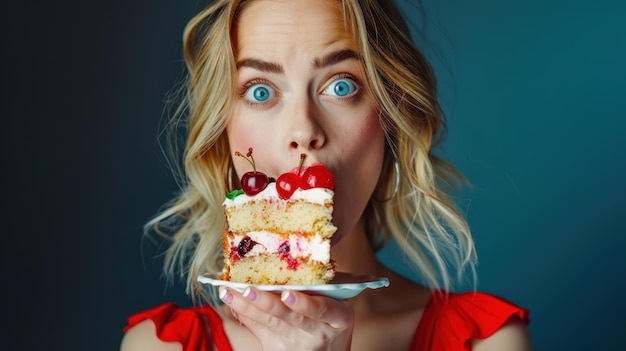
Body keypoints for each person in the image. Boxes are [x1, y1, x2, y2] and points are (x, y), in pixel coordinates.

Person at [121, 0, 532, 350]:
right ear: (223, 127)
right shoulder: (157, 344)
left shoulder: (487, 341)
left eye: (340, 86)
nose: (304, 131)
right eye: (261, 91)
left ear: (390, 113)